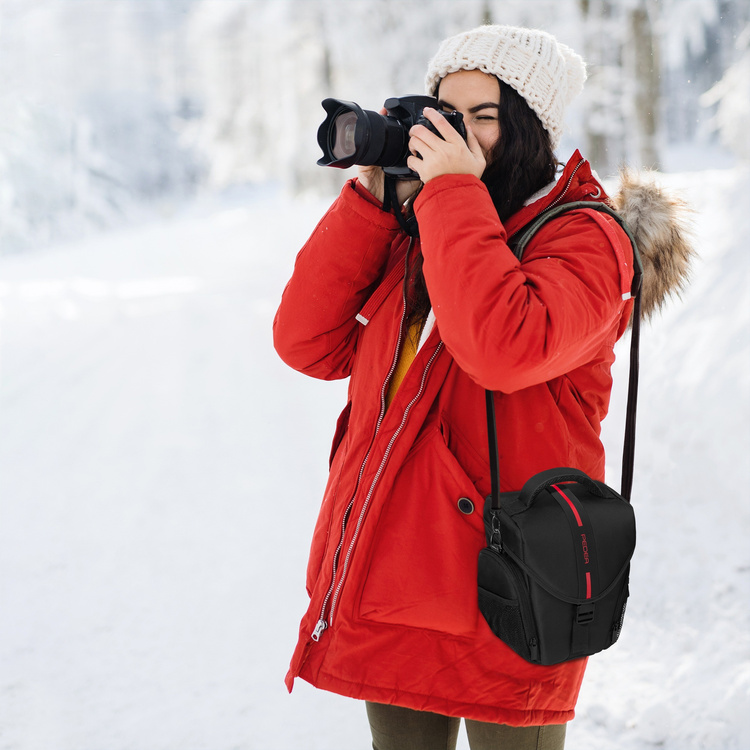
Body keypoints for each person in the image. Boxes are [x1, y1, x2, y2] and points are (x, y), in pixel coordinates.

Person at [273, 23, 691, 750]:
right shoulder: (421, 221)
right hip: (395, 577)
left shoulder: (586, 237)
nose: (458, 135)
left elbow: (502, 348)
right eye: (445, 113)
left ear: (532, 126)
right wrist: (374, 199)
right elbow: (307, 344)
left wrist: (452, 195)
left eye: (486, 116)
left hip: (514, 585)